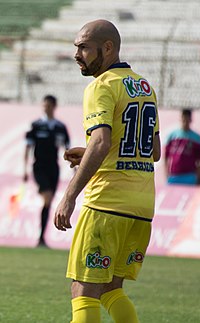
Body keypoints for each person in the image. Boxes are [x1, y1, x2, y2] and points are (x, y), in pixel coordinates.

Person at [54, 19, 161, 323]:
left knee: (84, 290)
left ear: (108, 47)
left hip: (106, 204)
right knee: (112, 289)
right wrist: (88, 152)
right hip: (141, 208)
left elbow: (101, 142)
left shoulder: (101, 86)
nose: (77, 54)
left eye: (84, 47)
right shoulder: (144, 86)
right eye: (77, 47)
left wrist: (69, 196)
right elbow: (153, 151)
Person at [24, 94, 70, 246]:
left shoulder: (60, 127)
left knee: (48, 203)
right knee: (48, 197)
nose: (46, 108)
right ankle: (41, 237)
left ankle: (41, 237)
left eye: (49, 105)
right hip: (39, 167)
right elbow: (28, 147)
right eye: (44, 105)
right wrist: (24, 169)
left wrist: (75, 167)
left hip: (53, 167)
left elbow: (68, 148)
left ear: (54, 107)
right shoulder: (36, 125)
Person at [165, 109, 200, 185]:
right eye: (183, 119)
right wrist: (166, 173)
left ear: (190, 120)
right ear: (180, 118)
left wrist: (197, 176)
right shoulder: (173, 136)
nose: (185, 122)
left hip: (189, 176)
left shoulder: (197, 138)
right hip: (173, 175)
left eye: (187, 119)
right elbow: (165, 156)